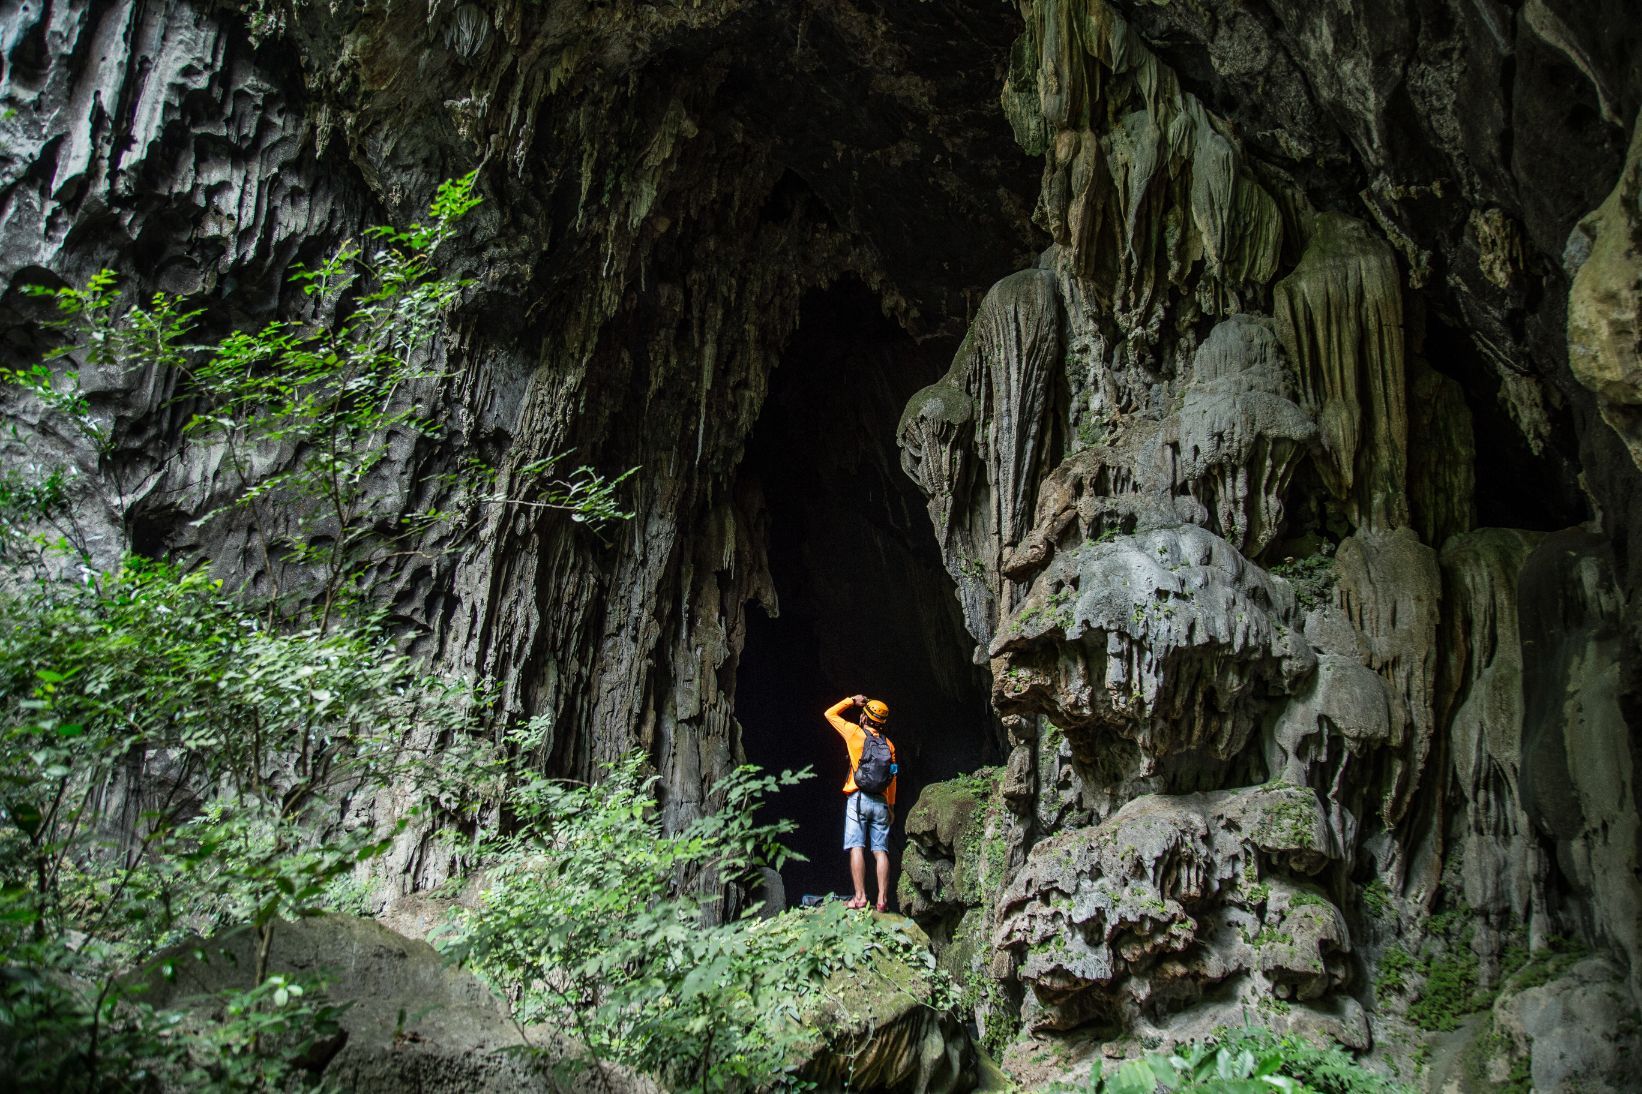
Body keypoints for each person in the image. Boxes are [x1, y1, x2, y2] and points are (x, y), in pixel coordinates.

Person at [823, 693, 898, 911]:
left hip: (858, 798)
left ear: (864, 718)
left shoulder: (855, 733)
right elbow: (893, 778)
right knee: (880, 850)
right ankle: (882, 900)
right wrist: (891, 805)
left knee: (857, 846)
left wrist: (851, 701)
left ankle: (860, 897)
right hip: (881, 802)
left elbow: (829, 714)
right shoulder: (889, 746)